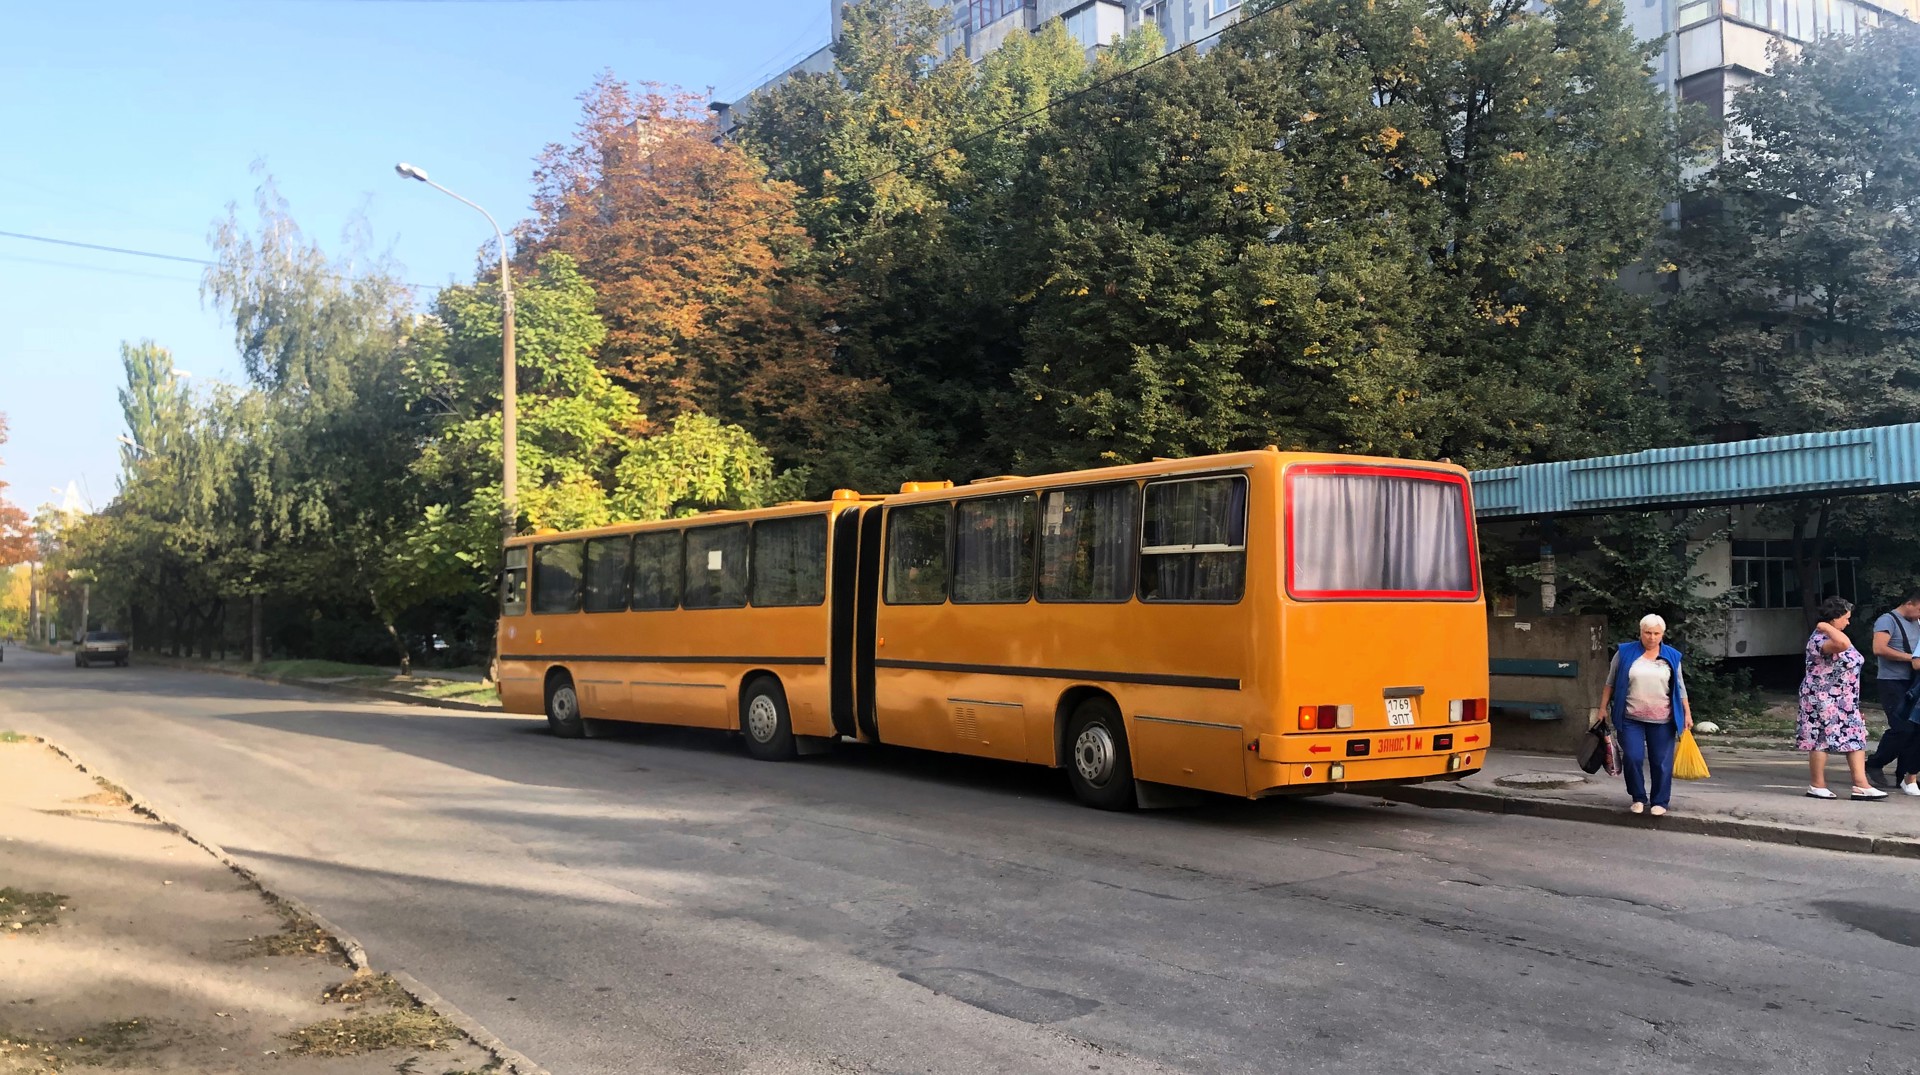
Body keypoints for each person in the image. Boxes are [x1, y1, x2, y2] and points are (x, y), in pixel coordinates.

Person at [1597, 614, 1693, 817]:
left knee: (1661, 762)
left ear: (1662, 634)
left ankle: (1660, 801)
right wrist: (1602, 708)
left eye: (1656, 633)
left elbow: (1680, 687)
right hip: (1630, 717)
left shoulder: (1672, 656)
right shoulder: (1624, 653)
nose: (1652, 637)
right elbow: (1610, 682)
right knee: (1633, 757)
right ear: (1640, 632)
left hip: (1663, 719)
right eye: (1647, 633)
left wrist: (1687, 713)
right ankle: (1638, 797)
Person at [1798, 596, 1889, 801]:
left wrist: (1854, 703)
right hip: (1822, 698)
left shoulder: (1835, 634)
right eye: (1845, 618)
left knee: (1856, 736)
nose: (1848, 622)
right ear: (1834, 617)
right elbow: (1842, 644)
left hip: (1845, 699)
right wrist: (1824, 626)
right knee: (1821, 739)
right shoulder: (1820, 639)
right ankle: (1817, 785)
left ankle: (1861, 785)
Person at [1863, 589, 1920, 789]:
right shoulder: (1887, 620)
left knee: (1915, 729)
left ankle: (1904, 774)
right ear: (1910, 603)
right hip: (1892, 681)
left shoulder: (1916, 623)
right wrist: (1912, 658)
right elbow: (1879, 648)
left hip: (1913, 682)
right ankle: (1874, 763)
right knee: (1902, 727)